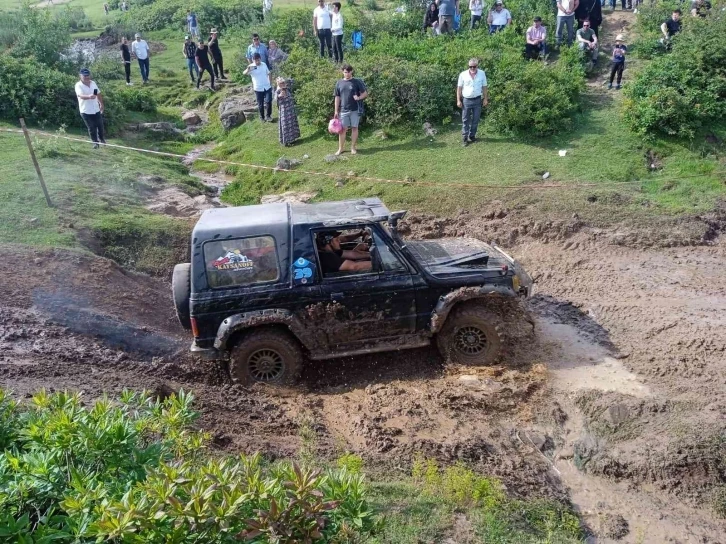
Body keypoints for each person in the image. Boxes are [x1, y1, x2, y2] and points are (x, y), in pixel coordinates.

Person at [334, 64, 368, 155]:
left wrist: (359, 98)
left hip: (355, 109)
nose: (347, 74)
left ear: (351, 71)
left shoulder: (357, 82)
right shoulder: (339, 83)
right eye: (345, 72)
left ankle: (353, 147)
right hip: (343, 110)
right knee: (342, 129)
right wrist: (336, 111)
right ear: (342, 72)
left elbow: (365, 94)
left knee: (354, 128)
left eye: (349, 72)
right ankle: (341, 148)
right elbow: (337, 97)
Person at [456, 58, 488, 147]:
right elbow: (459, 88)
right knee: (465, 119)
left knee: (476, 119)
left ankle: (472, 136)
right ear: (468, 66)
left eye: (474, 67)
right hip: (466, 100)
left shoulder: (482, 73)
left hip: (477, 99)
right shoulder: (463, 74)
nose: (472, 68)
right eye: (470, 67)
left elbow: (484, 87)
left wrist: (485, 99)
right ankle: (465, 138)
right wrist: (458, 100)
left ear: (477, 66)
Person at [75, 68, 105, 149]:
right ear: (80, 76)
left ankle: (102, 139)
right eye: (85, 76)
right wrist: (89, 96)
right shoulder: (78, 85)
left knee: (100, 126)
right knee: (91, 127)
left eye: (88, 75)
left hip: (96, 109)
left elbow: (97, 93)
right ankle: (95, 143)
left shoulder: (93, 83)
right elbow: (80, 95)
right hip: (86, 111)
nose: (87, 77)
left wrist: (101, 103)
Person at [244, 53, 273, 122]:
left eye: (258, 60)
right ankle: (262, 117)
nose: (257, 62)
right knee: (260, 104)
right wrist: (248, 70)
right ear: (253, 60)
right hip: (258, 88)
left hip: (267, 86)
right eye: (256, 60)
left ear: (260, 59)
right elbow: (244, 73)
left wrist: (270, 82)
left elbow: (269, 73)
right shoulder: (251, 66)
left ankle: (268, 116)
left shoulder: (263, 64)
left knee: (268, 101)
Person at [276, 78, 300, 146]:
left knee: (292, 123)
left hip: (290, 108)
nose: (283, 84)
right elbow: (276, 99)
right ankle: (286, 141)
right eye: (281, 83)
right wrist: (279, 96)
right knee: (285, 125)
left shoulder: (287, 89)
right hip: (284, 110)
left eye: (283, 83)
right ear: (278, 84)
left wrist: (286, 84)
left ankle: (293, 139)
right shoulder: (278, 91)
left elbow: (292, 81)